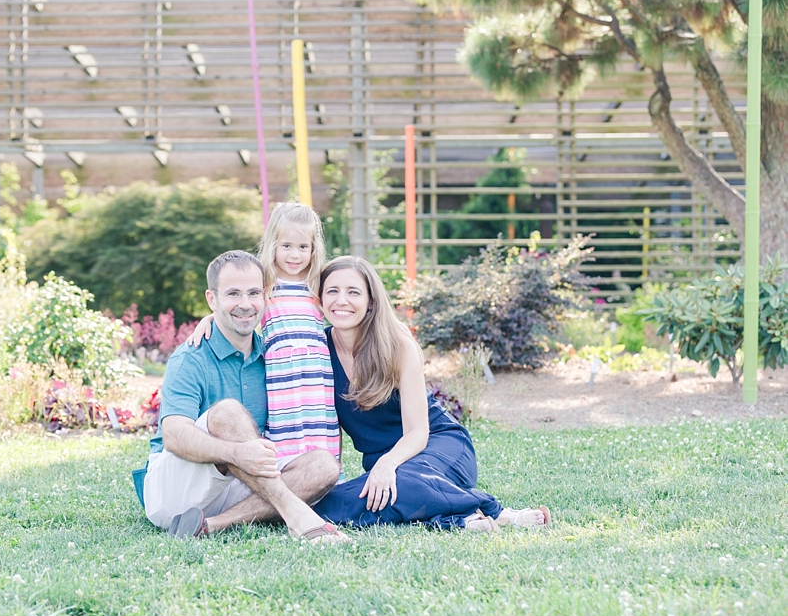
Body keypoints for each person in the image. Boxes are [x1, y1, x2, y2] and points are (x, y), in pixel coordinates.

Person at [312, 256, 551, 531]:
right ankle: (461, 520)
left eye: (353, 292)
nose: (341, 300)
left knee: (402, 483)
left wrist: (387, 464)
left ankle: (495, 511)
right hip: (388, 467)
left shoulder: (397, 345)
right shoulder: (318, 350)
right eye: (332, 291)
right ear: (319, 300)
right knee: (328, 505)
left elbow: (417, 433)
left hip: (439, 447)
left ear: (371, 302)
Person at [143, 250, 348, 543]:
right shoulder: (190, 357)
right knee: (228, 412)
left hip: (241, 485)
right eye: (233, 294)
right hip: (178, 491)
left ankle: (212, 525)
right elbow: (174, 435)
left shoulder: (274, 356)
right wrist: (235, 453)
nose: (245, 304)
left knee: (324, 464)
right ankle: (295, 513)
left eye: (253, 293)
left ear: (265, 297)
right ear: (211, 300)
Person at [191, 203, 340, 468]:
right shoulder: (266, 282)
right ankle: (287, 475)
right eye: (286, 246)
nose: (295, 255)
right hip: (282, 376)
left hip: (316, 374)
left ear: (313, 249)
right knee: (286, 426)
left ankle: (325, 479)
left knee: (319, 425)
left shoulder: (317, 282)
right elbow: (240, 305)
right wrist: (210, 317)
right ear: (273, 244)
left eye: (303, 247)